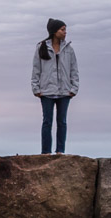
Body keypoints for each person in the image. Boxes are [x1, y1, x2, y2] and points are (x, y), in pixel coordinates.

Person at [31, 18, 79, 154]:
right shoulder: (41, 47)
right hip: (46, 91)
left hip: (65, 92)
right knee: (47, 121)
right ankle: (46, 152)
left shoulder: (69, 49)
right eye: (62, 29)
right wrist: (36, 88)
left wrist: (74, 88)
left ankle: (60, 151)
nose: (65, 32)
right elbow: (36, 69)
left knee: (62, 122)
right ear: (54, 31)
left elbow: (74, 69)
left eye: (65, 29)